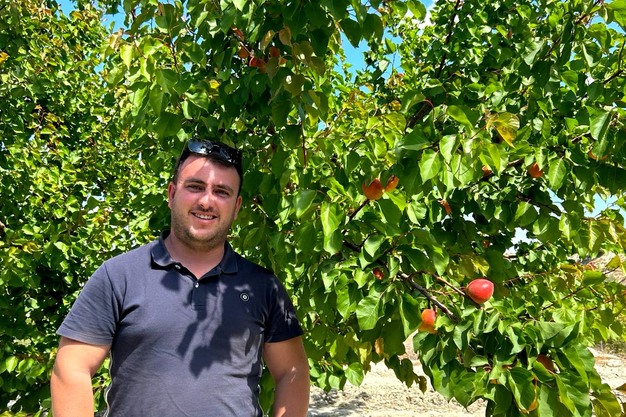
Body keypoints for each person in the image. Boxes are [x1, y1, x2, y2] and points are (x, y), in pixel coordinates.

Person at [51, 138, 310, 417]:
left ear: (236, 207)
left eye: (222, 192)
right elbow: (72, 368)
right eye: (195, 187)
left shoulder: (262, 286)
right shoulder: (118, 276)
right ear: (172, 193)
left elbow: (292, 372)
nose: (206, 201)